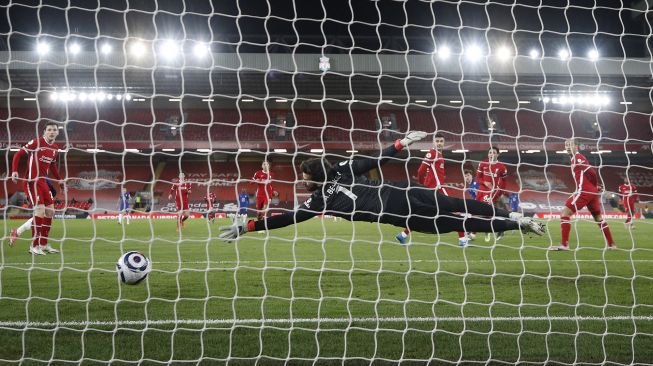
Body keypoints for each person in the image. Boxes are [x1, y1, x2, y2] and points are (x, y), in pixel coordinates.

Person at [219, 132, 544, 242]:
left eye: (304, 176)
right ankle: (515, 219)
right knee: (459, 205)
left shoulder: (319, 201)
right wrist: (401, 143)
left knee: (458, 221)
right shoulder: (343, 168)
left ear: (313, 176)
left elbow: (285, 219)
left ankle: (517, 224)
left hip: (397, 212)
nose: (303, 181)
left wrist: (250, 226)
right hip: (403, 192)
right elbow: (376, 160)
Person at [395, 133, 467, 246]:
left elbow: (431, 172)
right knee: (456, 211)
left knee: (422, 215)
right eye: (437, 141)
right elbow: (420, 171)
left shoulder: (439, 155)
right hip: (437, 189)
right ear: (433, 142)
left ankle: (402, 235)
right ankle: (463, 240)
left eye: (441, 141)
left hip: (431, 190)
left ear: (444, 143)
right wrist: (421, 184)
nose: (439, 143)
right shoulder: (432, 153)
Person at [549, 138, 616, 251]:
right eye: (566, 145)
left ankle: (564, 245)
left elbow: (592, 172)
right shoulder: (577, 158)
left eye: (570, 145)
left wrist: (595, 185)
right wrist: (596, 187)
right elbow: (589, 173)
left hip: (584, 191)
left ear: (576, 146)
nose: (567, 147)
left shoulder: (578, 158)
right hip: (591, 191)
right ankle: (612, 244)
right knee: (598, 217)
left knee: (565, 212)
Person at [10, 121, 64, 255]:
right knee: (39, 211)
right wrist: (14, 171)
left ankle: (43, 244)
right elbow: (18, 154)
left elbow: (52, 166)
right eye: (49, 130)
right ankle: (34, 246)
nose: (52, 132)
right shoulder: (37, 142)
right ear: (44, 132)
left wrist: (60, 180)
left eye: (54, 130)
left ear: (58, 132)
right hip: (31, 181)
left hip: (43, 182)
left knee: (50, 212)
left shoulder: (55, 149)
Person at [9, 178, 57, 247]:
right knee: (42, 215)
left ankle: (40, 242)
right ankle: (36, 243)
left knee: (47, 216)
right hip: (39, 186)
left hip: (45, 186)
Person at [475, 147, 508, 242]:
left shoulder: (502, 167)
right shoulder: (482, 164)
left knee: (487, 211)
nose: (491, 154)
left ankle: (477, 232)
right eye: (490, 152)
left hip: (493, 192)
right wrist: (485, 182)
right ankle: (493, 230)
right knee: (484, 212)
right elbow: (477, 178)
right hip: (481, 191)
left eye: (494, 152)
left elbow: (504, 182)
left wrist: (500, 193)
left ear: (498, 154)